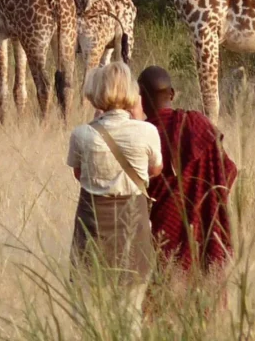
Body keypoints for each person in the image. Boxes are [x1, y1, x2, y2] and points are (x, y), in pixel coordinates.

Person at [67, 61, 163, 335]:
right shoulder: (148, 132)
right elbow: (155, 170)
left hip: (92, 227)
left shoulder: (82, 134)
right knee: (130, 312)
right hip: (134, 225)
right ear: (133, 93)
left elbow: (78, 173)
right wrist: (139, 117)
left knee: (88, 311)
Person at [138, 65, 238, 275]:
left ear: (141, 97)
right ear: (172, 94)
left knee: (162, 291)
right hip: (205, 227)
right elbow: (229, 170)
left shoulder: (142, 136)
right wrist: (207, 202)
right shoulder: (198, 123)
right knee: (204, 291)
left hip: (162, 228)